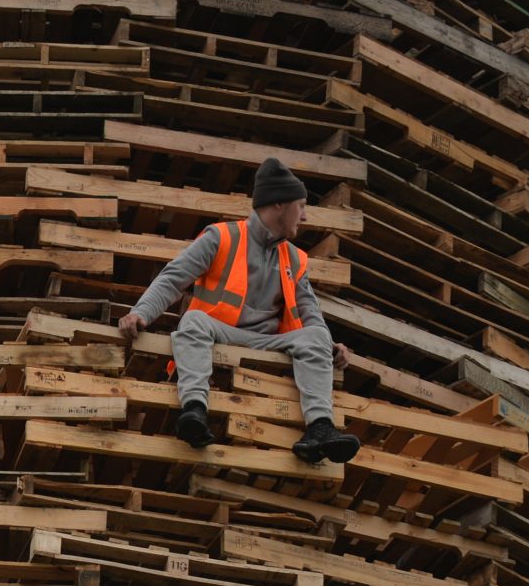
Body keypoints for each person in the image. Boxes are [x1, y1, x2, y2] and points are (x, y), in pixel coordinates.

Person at [117, 156, 362, 465]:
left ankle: (320, 430)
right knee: (192, 319)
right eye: (301, 206)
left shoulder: (295, 259)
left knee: (315, 334)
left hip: (270, 343)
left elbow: (310, 312)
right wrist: (141, 313)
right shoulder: (222, 237)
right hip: (220, 333)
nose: (306, 216)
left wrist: (329, 346)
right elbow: (173, 278)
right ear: (278, 206)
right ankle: (194, 410)